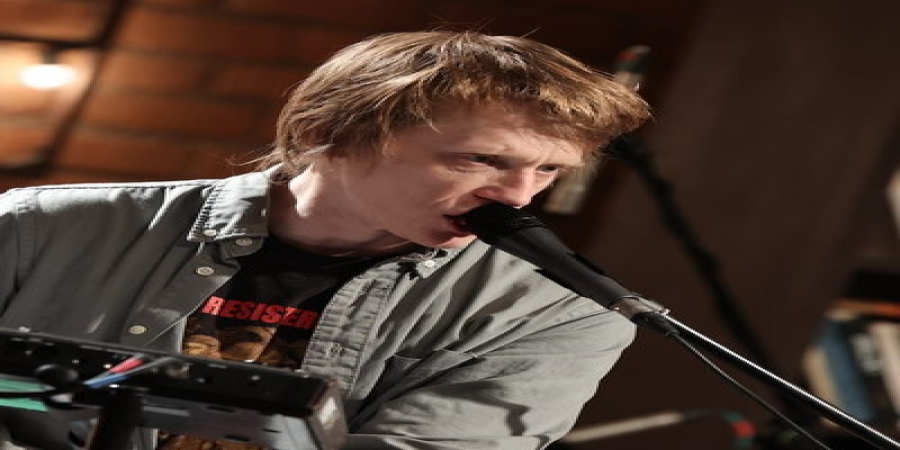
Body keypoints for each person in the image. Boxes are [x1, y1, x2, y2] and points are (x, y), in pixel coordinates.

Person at [0, 30, 650, 450]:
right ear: (328, 135)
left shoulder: (559, 314)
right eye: (481, 160)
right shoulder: (39, 226)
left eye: (549, 170)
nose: (518, 197)